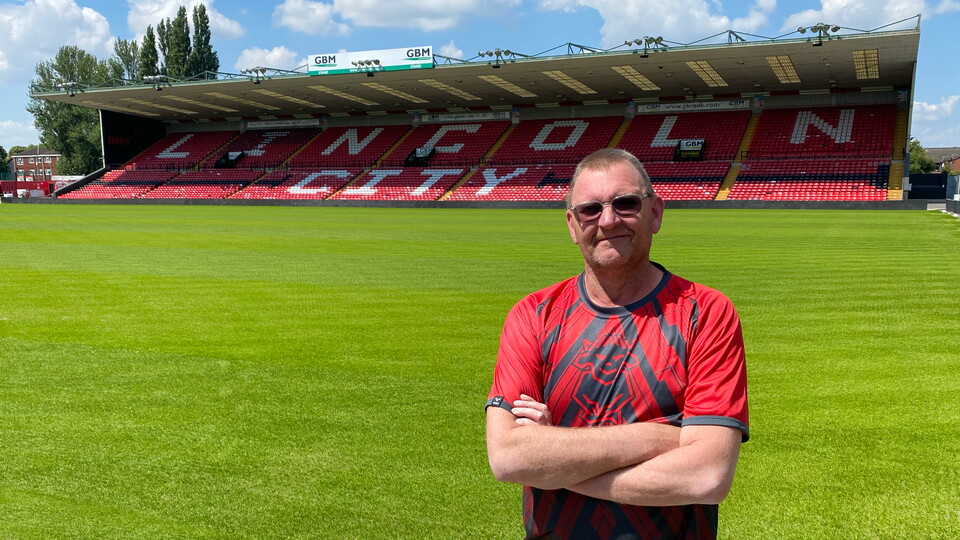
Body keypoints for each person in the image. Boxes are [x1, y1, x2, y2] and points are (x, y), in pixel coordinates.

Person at [485, 148, 749, 539]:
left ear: (655, 213)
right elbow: (509, 457)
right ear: (572, 226)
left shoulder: (705, 312)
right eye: (590, 210)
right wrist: (663, 437)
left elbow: (706, 476)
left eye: (625, 203)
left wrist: (556, 460)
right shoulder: (533, 314)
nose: (608, 220)